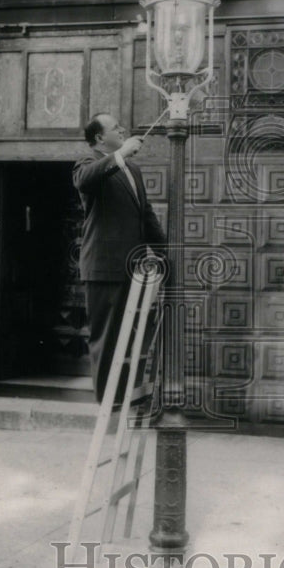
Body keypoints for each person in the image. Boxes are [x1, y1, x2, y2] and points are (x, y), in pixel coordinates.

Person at [73, 113, 167, 404]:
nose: (123, 129)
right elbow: (84, 181)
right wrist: (121, 154)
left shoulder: (133, 170)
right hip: (103, 268)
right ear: (100, 138)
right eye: (116, 128)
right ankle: (108, 402)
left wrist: (166, 254)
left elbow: (146, 214)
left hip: (131, 268)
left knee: (129, 337)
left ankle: (127, 395)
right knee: (106, 337)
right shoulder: (87, 164)